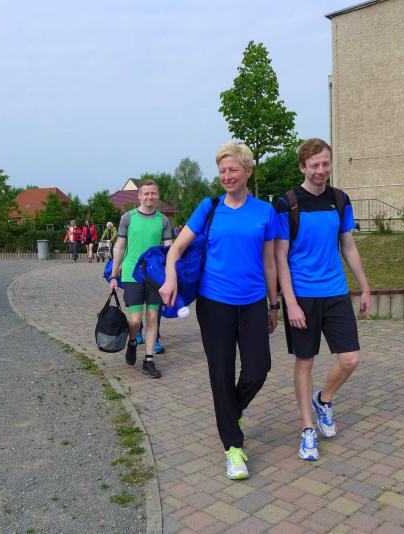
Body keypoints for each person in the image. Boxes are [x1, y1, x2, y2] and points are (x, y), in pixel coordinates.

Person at [160, 142, 278, 480]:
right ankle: (233, 448)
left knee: (258, 368)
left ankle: (232, 409)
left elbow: (270, 262)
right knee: (221, 373)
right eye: (222, 170)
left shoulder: (265, 212)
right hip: (214, 304)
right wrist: (170, 277)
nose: (227, 176)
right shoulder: (209, 207)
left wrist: (274, 304)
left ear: (248, 171)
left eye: (233, 170)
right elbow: (175, 249)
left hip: (253, 302)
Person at [274, 138, 371, 462]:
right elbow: (280, 256)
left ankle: (324, 399)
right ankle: (307, 429)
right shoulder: (287, 203)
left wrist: (365, 286)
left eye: (325, 163)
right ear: (302, 167)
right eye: (314, 165)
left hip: (335, 291)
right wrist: (290, 302)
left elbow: (348, 246)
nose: (320, 170)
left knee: (350, 359)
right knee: (305, 362)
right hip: (302, 294)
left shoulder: (340, 200)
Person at [110, 180, 173, 378]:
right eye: (146, 194)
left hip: (154, 276)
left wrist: (171, 276)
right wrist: (113, 275)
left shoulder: (163, 220)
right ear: (139, 196)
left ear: (158, 196)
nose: (150, 197)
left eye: (153, 193)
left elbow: (168, 250)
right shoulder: (128, 218)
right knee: (135, 320)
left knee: (153, 317)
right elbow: (119, 246)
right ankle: (132, 341)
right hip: (132, 273)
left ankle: (149, 360)